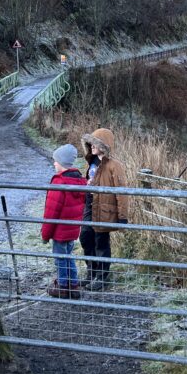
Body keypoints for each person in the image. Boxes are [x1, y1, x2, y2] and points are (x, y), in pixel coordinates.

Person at [79, 127, 128, 291]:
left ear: (104, 145)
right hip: (90, 204)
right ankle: (91, 272)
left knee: (101, 242)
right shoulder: (92, 162)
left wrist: (122, 216)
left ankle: (101, 277)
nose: (91, 146)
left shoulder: (114, 166)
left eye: (95, 143)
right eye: (91, 143)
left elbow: (121, 192)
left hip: (105, 208)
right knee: (85, 237)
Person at [40, 144, 86, 299]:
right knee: (69, 255)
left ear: (63, 163)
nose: (54, 163)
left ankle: (62, 286)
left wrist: (45, 235)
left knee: (60, 258)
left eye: (56, 161)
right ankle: (73, 285)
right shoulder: (79, 181)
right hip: (72, 230)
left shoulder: (59, 183)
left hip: (60, 231)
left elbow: (51, 213)